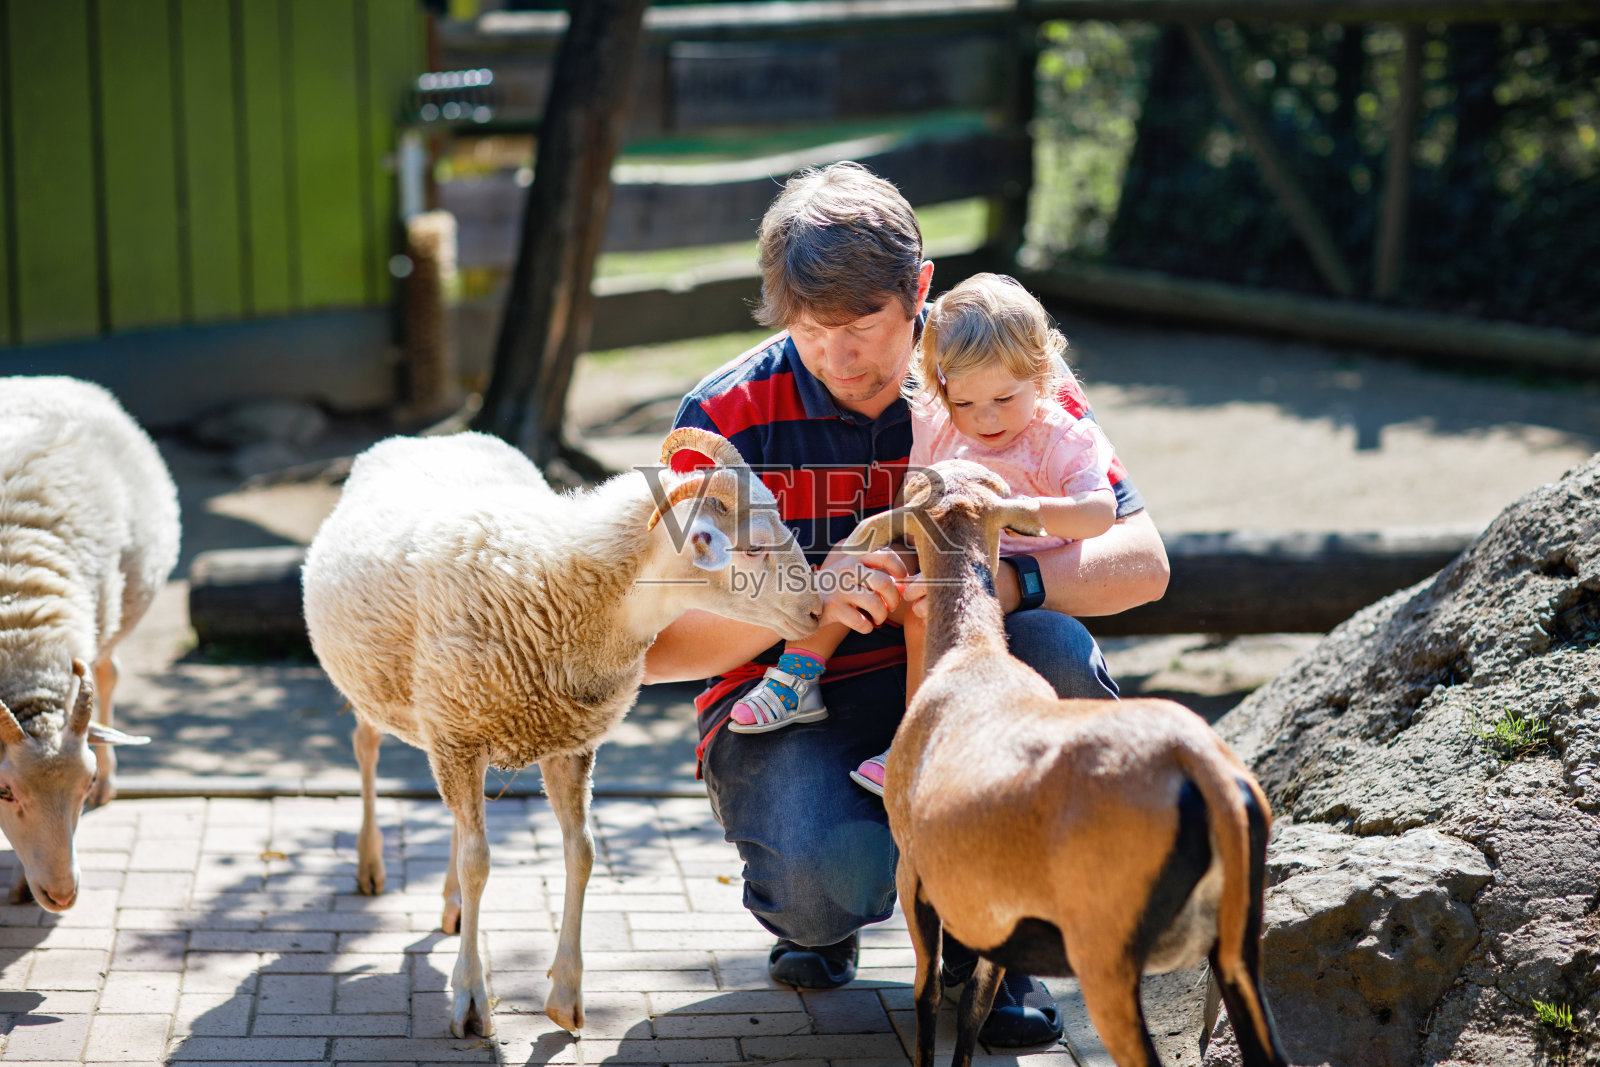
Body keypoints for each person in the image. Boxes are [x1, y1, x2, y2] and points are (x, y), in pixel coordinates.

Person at [642, 162, 1169, 1047]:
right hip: (797, 700)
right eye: (813, 331)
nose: (842, 357)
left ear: (918, 288)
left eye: (864, 325)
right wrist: (803, 605)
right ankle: (823, 918)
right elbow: (655, 647)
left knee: (1055, 649)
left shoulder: (998, 370)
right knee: (824, 884)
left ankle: (1001, 950)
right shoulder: (722, 417)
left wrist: (997, 583)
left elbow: (1143, 563)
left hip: (971, 682)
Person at [725, 272, 1119, 800]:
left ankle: (916, 740)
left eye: (1004, 398)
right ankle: (799, 673)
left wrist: (1019, 511)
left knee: (925, 607)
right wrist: (882, 542)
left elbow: (1099, 514)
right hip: (944, 548)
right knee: (857, 563)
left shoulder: (1061, 436)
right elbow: (919, 492)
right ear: (940, 389)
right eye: (965, 404)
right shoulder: (938, 421)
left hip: (1010, 571)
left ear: (1043, 376)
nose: (985, 419)